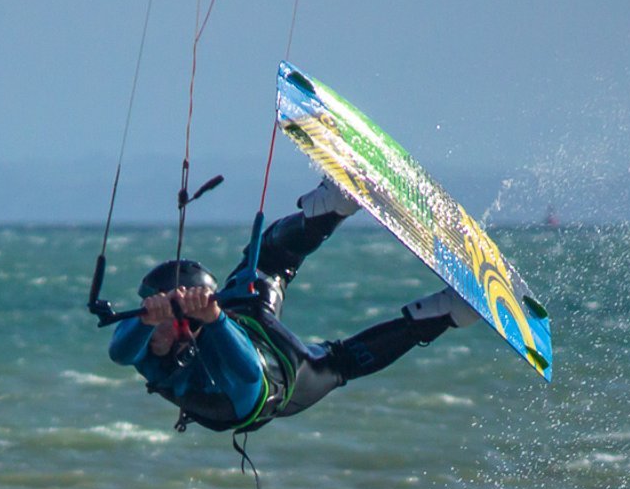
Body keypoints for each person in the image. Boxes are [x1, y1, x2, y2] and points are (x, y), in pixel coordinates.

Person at [107, 178, 478, 437]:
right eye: (153, 316)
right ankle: (447, 312)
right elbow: (249, 374)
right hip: (276, 380)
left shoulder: (195, 329)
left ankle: (328, 209)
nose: (154, 327)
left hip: (239, 322)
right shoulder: (156, 353)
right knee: (339, 362)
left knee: (268, 259)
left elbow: (129, 350)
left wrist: (214, 315)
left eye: (162, 318)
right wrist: (151, 319)